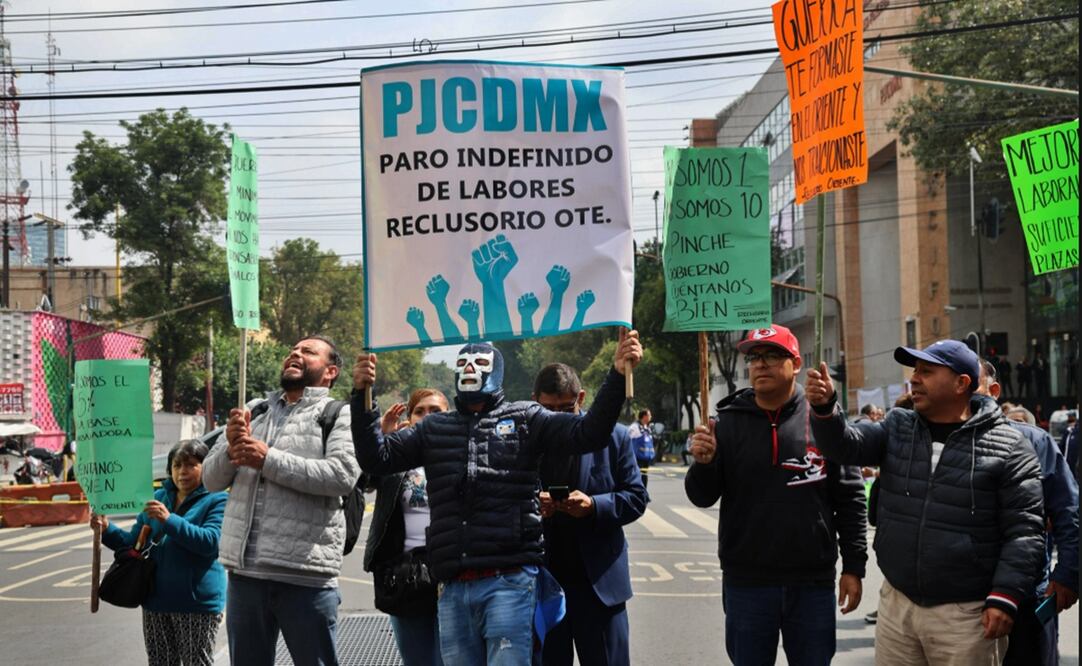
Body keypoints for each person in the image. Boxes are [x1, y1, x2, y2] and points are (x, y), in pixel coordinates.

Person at [351, 334, 643, 665]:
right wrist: (362, 398)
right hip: (453, 584)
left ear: (496, 370)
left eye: (479, 363)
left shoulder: (525, 419)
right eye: (464, 363)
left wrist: (617, 376)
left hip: (509, 580)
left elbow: (588, 432)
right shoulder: (433, 429)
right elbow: (377, 458)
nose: (471, 369)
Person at [805, 338, 1045, 665]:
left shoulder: (1010, 447)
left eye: (926, 371)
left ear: (961, 383)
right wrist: (825, 409)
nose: (914, 379)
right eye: (915, 370)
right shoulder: (898, 426)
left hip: (967, 615)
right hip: (898, 605)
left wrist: (1005, 596)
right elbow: (845, 446)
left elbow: (1025, 532)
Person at [685, 324, 867, 666]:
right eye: (754, 357)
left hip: (812, 583)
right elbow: (701, 497)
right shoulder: (725, 423)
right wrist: (704, 464)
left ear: (795, 363)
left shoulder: (823, 418)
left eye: (772, 355)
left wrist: (854, 567)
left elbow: (850, 497)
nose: (760, 364)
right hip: (746, 583)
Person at [202, 336, 361, 666]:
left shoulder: (340, 414)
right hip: (245, 577)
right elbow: (210, 480)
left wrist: (268, 459)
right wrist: (230, 450)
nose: (295, 354)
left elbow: (342, 476)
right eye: (293, 351)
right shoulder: (254, 409)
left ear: (330, 371)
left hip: (306, 578)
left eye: (308, 352)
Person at [533, 363, 648, 666]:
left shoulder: (614, 437)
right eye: (548, 409)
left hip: (599, 586)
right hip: (543, 585)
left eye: (565, 408)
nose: (557, 417)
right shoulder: (525, 441)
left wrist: (594, 505)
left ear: (581, 398)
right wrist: (534, 504)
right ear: (535, 402)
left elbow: (636, 498)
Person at [977, 360, 1079, 666]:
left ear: (993, 390)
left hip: (1026, 595)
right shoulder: (934, 442)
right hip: (961, 600)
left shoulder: (1036, 441)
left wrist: (1068, 574)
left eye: (970, 381)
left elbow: (1068, 509)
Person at [94, 439, 228, 666]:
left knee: (197, 662)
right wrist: (106, 529)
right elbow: (133, 543)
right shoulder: (158, 498)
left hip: (195, 604)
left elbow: (211, 543)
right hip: (155, 601)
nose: (182, 472)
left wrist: (169, 520)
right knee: (160, 661)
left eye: (191, 465)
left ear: (205, 467)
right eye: (177, 465)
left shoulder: (217, 499)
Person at [365, 388, 449, 666]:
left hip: (454, 574)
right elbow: (365, 480)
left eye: (435, 411)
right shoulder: (395, 456)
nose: (427, 417)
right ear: (410, 418)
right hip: (408, 577)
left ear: (449, 416)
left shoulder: (461, 453)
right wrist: (381, 440)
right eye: (420, 411)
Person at [627, 409, 655, 488]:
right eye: (649, 415)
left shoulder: (647, 427)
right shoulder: (634, 427)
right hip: (637, 456)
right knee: (638, 475)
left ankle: (644, 491)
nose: (650, 417)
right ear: (644, 416)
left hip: (646, 456)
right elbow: (627, 439)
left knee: (644, 475)